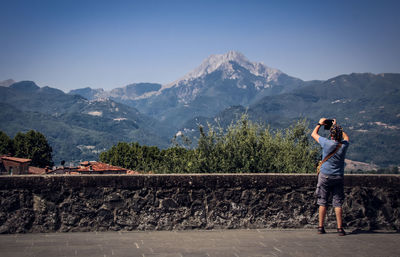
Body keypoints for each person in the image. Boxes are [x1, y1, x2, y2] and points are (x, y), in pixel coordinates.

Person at [311, 118, 350, 236]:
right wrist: (336, 126)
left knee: (322, 201)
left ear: (331, 135)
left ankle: (321, 227)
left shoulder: (326, 143)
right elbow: (347, 138)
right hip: (338, 176)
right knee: (337, 202)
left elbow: (313, 134)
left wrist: (320, 123)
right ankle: (340, 229)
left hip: (325, 176)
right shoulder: (343, 146)